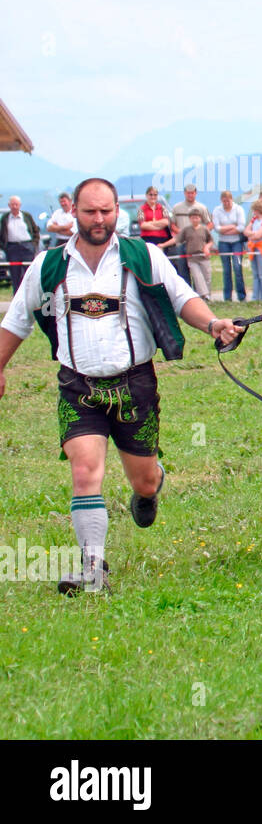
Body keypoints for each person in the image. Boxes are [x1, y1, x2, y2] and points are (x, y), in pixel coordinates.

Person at [0, 177, 242, 594]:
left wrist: (214, 324)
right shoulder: (48, 265)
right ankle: (93, 569)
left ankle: (151, 485)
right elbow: (16, 321)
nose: (98, 219)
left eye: (106, 211)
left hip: (136, 386)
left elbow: (183, 298)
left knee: (142, 480)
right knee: (84, 471)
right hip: (78, 387)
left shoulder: (142, 256)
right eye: (90, 211)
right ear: (74, 211)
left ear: (118, 212)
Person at [169, 184, 212, 285]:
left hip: (197, 244)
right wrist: (182, 233)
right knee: (183, 270)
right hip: (181, 243)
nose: (190, 195)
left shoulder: (201, 208)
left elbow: (209, 224)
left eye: (192, 193)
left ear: (195, 193)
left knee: (198, 271)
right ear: (184, 193)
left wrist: (200, 232)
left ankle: (200, 293)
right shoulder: (177, 207)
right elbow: (172, 225)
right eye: (188, 193)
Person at [212, 190, 246, 302]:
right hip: (223, 243)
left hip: (236, 242)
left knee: (237, 267)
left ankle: (241, 296)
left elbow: (241, 227)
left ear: (232, 199)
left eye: (228, 201)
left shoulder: (238, 209)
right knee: (226, 270)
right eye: (224, 201)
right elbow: (217, 228)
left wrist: (225, 229)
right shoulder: (217, 210)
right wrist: (232, 226)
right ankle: (227, 297)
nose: (226, 203)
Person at [0, 196, 40, 291]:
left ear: (20, 205)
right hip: (12, 248)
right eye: (12, 204)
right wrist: (5, 247)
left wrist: (34, 245)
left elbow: (35, 231)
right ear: (9, 206)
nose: (14, 206)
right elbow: (1, 234)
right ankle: (16, 299)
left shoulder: (26, 216)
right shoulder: (5, 218)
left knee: (29, 274)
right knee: (15, 276)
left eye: (16, 204)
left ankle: (31, 298)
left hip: (27, 248)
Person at [244, 199, 262, 303]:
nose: (254, 212)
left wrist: (252, 234)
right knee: (255, 274)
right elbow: (246, 231)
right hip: (253, 247)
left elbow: (259, 234)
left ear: (258, 210)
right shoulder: (254, 220)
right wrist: (254, 234)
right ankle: (255, 297)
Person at [179, 211, 214, 301]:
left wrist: (207, 247)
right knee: (197, 277)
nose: (195, 219)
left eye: (197, 217)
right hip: (192, 258)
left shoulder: (204, 229)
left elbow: (210, 241)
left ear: (200, 218)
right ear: (190, 219)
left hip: (203, 257)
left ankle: (208, 296)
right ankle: (204, 295)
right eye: (193, 217)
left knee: (207, 276)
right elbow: (177, 239)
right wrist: (163, 245)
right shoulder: (186, 230)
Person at [136, 186, 171, 251]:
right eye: (151, 195)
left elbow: (166, 222)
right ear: (146, 195)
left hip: (162, 239)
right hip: (147, 239)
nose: (153, 197)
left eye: (155, 195)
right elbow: (143, 225)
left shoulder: (163, 208)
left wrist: (150, 223)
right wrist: (159, 226)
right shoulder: (141, 209)